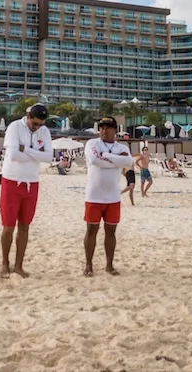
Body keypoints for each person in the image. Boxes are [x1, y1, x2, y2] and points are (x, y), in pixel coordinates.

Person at [0, 103, 52, 279]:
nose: (37, 127)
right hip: (11, 180)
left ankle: (19, 265)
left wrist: (26, 149)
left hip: (32, 181)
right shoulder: (14, 127)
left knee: (24, 226)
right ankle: (5, 263)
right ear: (28, 117)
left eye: (40, 124)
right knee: (8, 226)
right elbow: (13, 155)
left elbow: (49, 157)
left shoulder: (44, 131)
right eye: (35, 123)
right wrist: (36, 153)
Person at [84, 117, 133, 277]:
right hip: (93, 195)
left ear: (115, 130)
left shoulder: (122, 146)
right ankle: (88, 265)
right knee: (91, 230)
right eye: (102, 128)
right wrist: (115, 161)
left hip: (113, 196)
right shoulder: (92, 144)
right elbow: (93, 159)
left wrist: (105, 156)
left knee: (111, 232)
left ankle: (109, 265)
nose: (104, 131)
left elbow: (128, 161)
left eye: (108, 128)